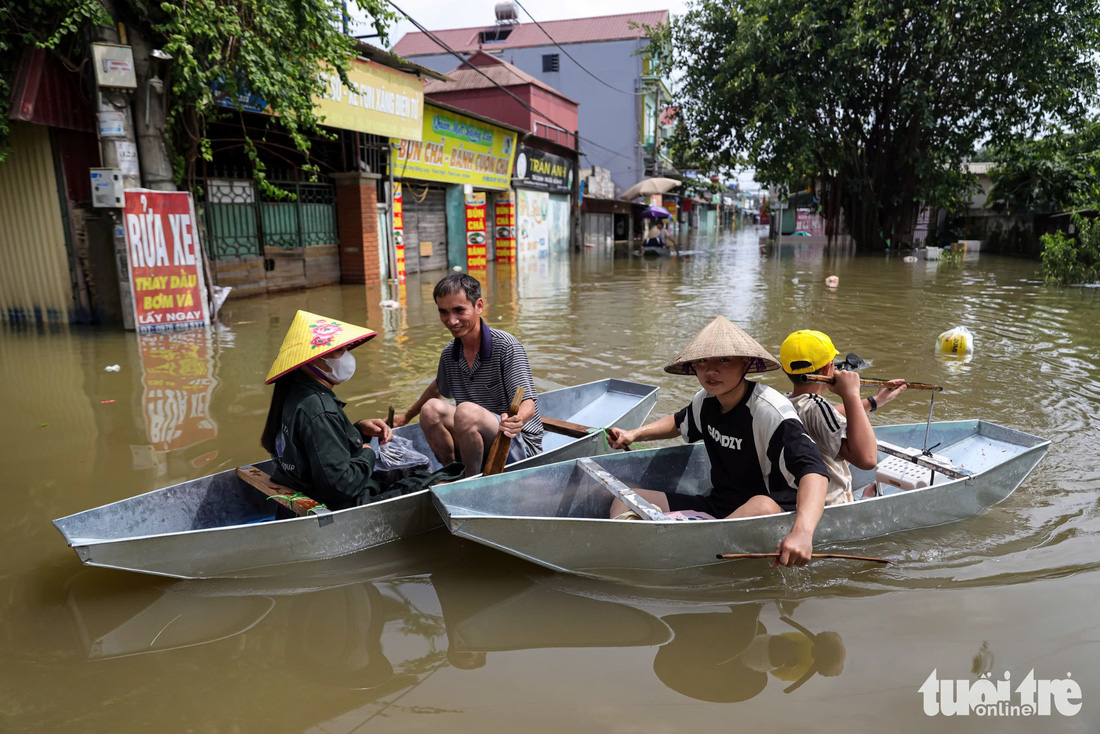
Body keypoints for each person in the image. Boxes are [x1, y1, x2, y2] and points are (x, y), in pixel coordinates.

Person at [607, 316, 829, 567]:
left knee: (761, 505)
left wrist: (802, 533)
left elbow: (815, 472)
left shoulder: (769, 410)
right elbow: (680, 422)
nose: (711, 371)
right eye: (703, 361)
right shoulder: (706, 401)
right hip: (718, 506)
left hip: (771, 511)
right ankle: (634, 556)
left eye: (724, 360)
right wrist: (633, 434)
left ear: (745, 363)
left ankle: (690, 557)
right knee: (625, 498)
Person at [394, 274, 542, 477]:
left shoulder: (506, 346)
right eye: (444, 312)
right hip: (473, 437)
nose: (451, 321)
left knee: (464, 412)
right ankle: (452, 469)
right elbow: (437, 388)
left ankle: (469, 480)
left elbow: (528, 403)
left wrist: (518, 419)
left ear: (478, 306)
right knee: (429, 410)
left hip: (515, 443)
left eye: (459, 310)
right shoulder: (450, 354)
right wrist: (405, 417)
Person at [261, 310, 393, 511]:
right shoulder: (319, 409)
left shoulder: (291, 392)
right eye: (340, 351)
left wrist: (358, 431)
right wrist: (367, 454)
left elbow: (312, 444)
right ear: (313, 359)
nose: (347, 355)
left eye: (347, 348)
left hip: (301, 489)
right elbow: (340, 486)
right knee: (428, 480)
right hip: (331, 504)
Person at [780, 330, 907, 504]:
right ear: (828, 368)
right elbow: (868, 459)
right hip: (832, 504)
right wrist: (851, 394)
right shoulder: (818, 407)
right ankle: (860, 500)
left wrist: (875, 401)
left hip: (801, 496)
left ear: (784, 368)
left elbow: (828, 413)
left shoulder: (785, 401)